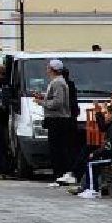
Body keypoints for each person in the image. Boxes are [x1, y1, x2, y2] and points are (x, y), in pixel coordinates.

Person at [77, 101, 112, 198]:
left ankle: (93, 190)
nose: (105, 116)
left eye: (107, 113)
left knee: (91, 163)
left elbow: (109, 147)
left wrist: (96, 153)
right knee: (91, 160)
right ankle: (88, 187)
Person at [44, 58, 78, 187]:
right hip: (58, 119)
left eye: (48, 67)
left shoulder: (57, 82)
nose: (46, 70)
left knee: (58, 149)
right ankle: (60, 175)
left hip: (58, 119)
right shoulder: (56, 82)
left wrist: (43, 103)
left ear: (52, 69)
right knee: (58, 148)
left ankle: (60, 175)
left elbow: (58, 102)